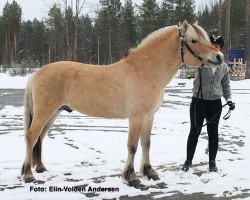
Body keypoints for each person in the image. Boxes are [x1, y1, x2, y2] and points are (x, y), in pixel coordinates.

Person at [182, 35, 235, 172]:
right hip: (198, 102)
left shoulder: (223, 67)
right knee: (194, 131)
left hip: (215, 104)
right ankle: (188, 161)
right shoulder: (201, 62)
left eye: (217, 47)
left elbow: (226, 85)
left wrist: (228, 100)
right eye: (212, 46)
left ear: (220, 48)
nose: (214, 48)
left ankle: (212, 162)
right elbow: (191, 58)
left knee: (213, 133)